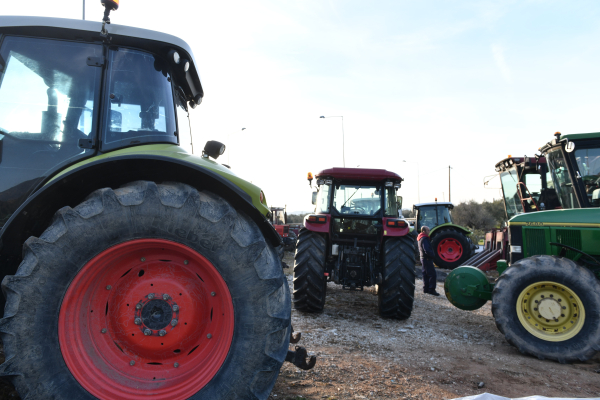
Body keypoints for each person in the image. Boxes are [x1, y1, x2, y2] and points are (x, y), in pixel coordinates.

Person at [417, 226, 440, 296]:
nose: (429, 231)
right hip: (427, 258)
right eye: (428, 230)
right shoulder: (425, 239)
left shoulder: (420, 238)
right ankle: (431, 289)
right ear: (424, 231)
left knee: (425, 274)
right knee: (432, 274)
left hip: (423, 258)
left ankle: (426, 289)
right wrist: (432, 255)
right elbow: (427, 249)